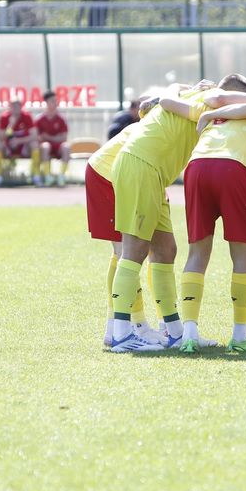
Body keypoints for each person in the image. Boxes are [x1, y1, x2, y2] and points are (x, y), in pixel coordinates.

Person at [106, 76, 242, 352]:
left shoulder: (192, 96)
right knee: (134, 250)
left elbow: (169, 94)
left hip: (153, 173)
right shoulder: (211, 103)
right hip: (141, 165)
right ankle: (121, 333)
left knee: (166, 249)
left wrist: (190, 88)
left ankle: (175, 332)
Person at [158, 88, 246, 353]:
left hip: (197, 168)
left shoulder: (208, 109)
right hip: (234, 168)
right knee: (243, 255)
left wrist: (192, 92)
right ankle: (240, 336)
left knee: (197, 252)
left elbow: (167, 102)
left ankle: (189, 334)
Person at [85, 122, 169, 349]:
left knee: (125, 252)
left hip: (108, 171)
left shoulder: (157, 121)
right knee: (127, 253)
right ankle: (134, 326)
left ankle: (118, 327)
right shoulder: (165, 124)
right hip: (108, 176)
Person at [0, 99, 39, 187]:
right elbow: (0, 137)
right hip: (8, 146)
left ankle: (36, 175)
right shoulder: (4, 117)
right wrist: (10, 125)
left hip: (23, 146)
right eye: (13, 106)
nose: (16, 108)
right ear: (10, 107)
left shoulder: (27, 116)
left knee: (35, 144)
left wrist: (19, 141)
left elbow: (34, 136)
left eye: (18, 106)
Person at [36, 91, 71, 187]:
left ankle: (61, 177)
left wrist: (49, 137)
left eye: (56, 101)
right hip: (45, 147)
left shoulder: (61, 119)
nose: (55, 103)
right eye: (52, 101)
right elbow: (38, 138)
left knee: (66, 147)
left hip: (58, 147)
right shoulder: (39, 119)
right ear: (46, 102)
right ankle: (48, 177)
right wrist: (51, 138)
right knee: (45, 146)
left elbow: (64, 138)